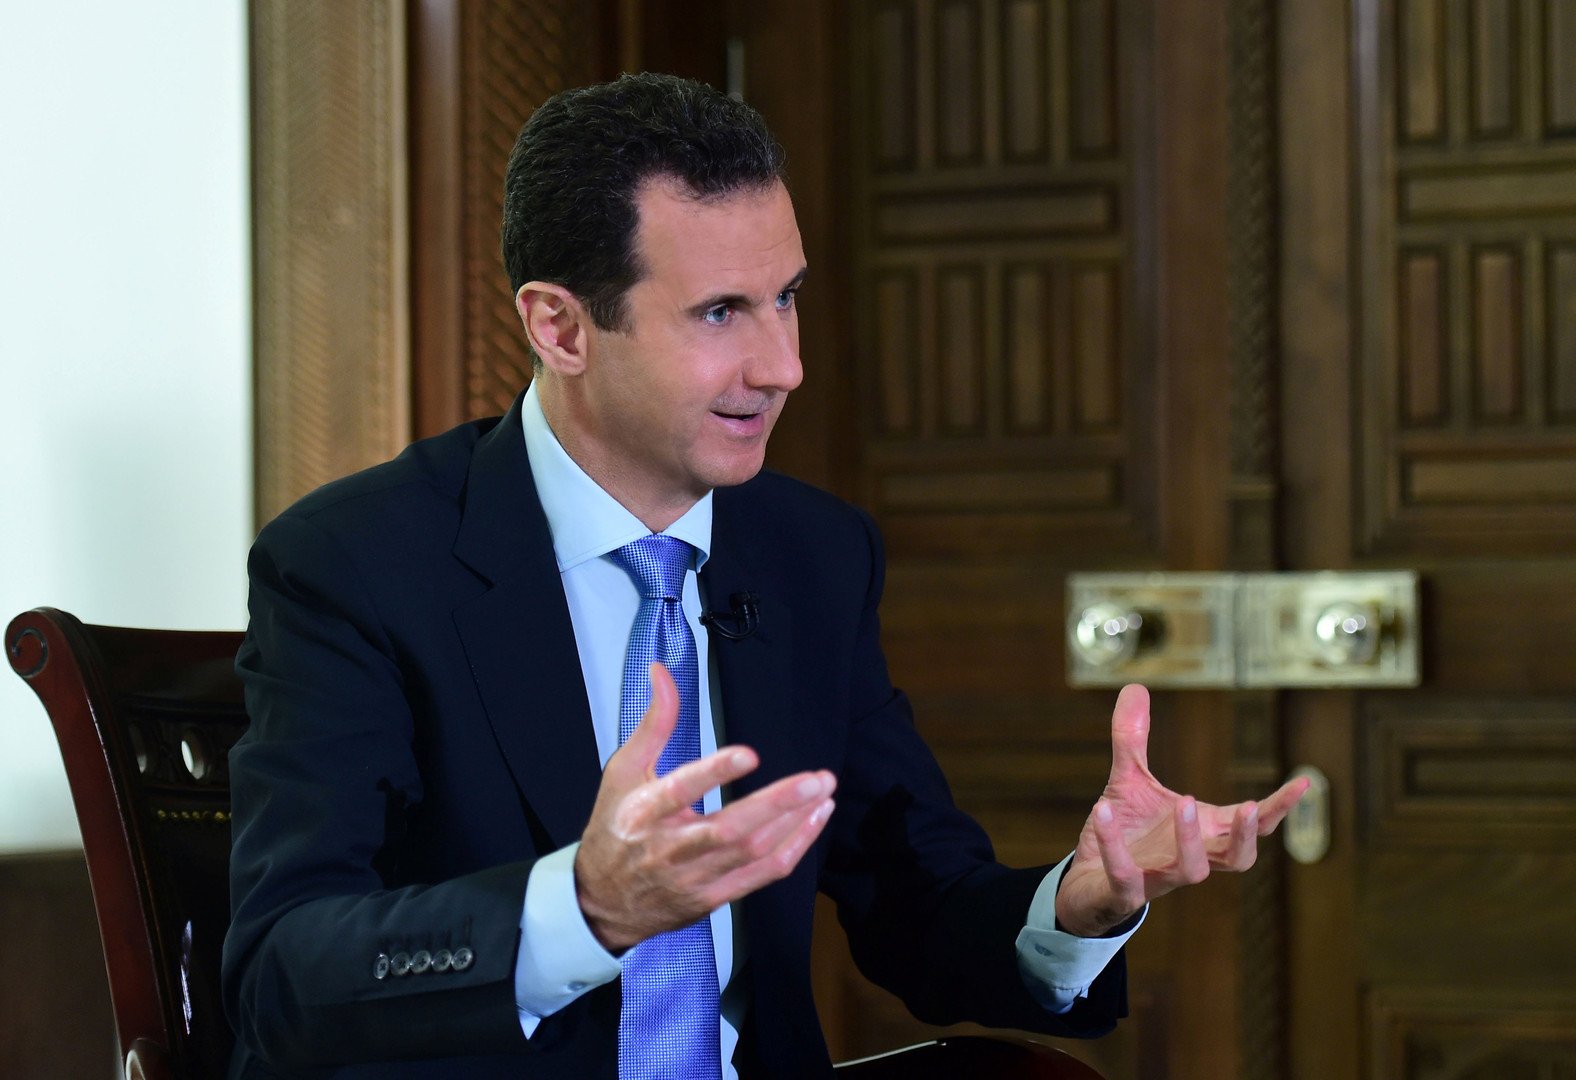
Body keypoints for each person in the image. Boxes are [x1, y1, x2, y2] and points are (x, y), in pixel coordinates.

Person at [221, 72, 1306, 1079]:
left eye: (785, 298)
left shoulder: (811, 555)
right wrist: (583, 910)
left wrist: (1077, 904)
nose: (783, 365)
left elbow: (919, 905)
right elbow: (283, 974)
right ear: (560, 327)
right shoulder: (357, 564)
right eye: (719, 313)